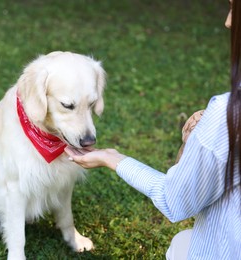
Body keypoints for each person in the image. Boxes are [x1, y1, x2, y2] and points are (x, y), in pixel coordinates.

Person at [65, 1, 241, 259]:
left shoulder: (228, 114)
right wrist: (191, 145)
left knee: (182, 246)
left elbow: (176, 201)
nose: (228, 21)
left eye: (234, 7)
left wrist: (112, 158)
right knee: (184, 240)